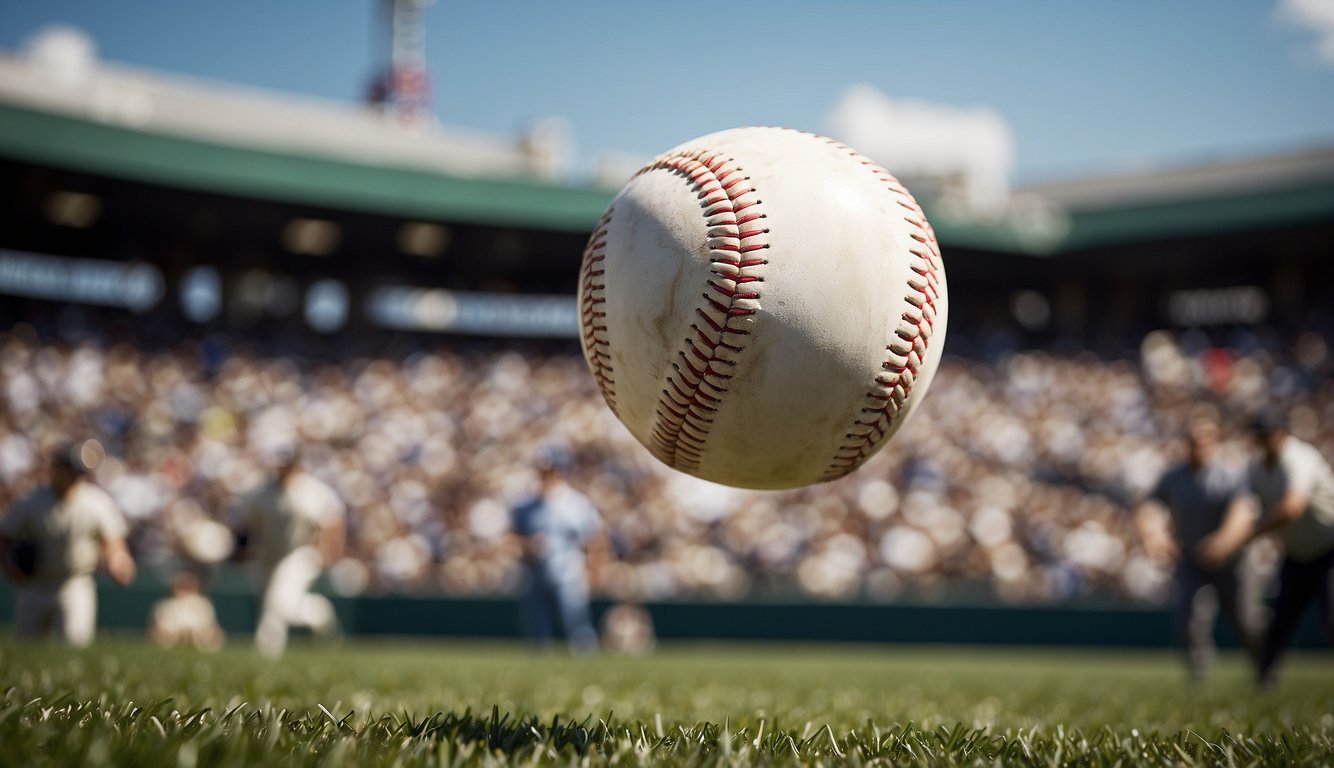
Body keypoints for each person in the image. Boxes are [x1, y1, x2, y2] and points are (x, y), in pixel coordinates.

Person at [1133, 416, 1261, 681]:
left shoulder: (1230, 475)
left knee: (1248, 622)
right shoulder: (1174, 477)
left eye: (1205, 440)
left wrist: (1223, 541)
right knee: (1191, 620)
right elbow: (1150, 507)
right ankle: (1198, 680)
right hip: (1192, 560)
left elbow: (1243, 512)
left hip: (1233, 562)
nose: (1199, 446)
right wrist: (1154, 535)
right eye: (1194, 441)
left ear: (1215, 442)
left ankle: (1265, 671)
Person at [1228, 407, 1334, 688]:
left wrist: (1249, 533)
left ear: (1281, 433)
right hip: (1297, 554)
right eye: (1259, 435)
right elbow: (1244, 504)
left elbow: (1291, 507)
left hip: (1328, 549)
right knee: (1280, 622)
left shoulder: (1299, 457)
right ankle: (1265, 683)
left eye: (1268, 434)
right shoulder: (1256, 466)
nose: (1263, 439)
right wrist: (1228, 536)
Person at [0, 442, 136, 646]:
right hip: (34, 583)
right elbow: (5, 537)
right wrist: (9, 564)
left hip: (74, 584)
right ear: (56, 468)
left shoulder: (96, 502)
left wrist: (118, 561)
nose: (75, 476)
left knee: (73, 650)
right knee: (26, 650)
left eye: (79, 471)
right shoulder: (31, 500)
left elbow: (114, 543)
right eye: (70, 469)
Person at [237, 448, 346, 657]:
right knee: (273, 605)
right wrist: (244, 550)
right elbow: (246, 523)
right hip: (269, 554)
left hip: (302, 553)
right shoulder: (262, 491)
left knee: (278, 601)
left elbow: (333, 518)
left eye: (288, 465)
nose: (283, 470)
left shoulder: (311, 490)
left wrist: (329, 550)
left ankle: (266, 653)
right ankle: (317, 613)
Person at [509, 448, 604, 653]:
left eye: (552, 470)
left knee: (577, 626)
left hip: (569, 573)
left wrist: (594, 571)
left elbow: (593, 540)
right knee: (536, 633)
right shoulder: (524, 504)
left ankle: (587, 670)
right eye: (543, 471)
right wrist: (528, 545)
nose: (548, 476)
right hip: (535, 574)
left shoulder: (576, 503)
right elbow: (510, 538)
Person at [148, 570, 225, 652]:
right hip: (172, 635)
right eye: (181, 585)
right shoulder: (163, 605)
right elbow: (159, 628)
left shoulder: (203, 603)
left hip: (197, 634)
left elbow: (210, 626)